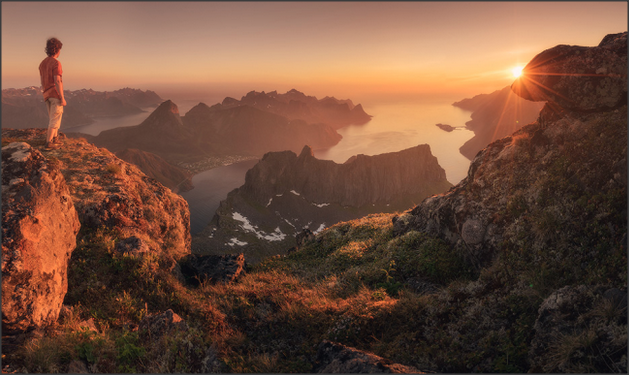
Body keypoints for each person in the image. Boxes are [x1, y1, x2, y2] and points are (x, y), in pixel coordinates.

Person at [39, 37, 66, 149]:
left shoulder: (42, 63)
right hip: (54, 94)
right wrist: (62, 97)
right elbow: (58, 80)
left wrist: (44, 91)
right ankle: (49, 143)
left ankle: (55, 139)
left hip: (46, 94)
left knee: (53, 117)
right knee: (55, 118)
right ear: (57, 50)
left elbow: (42, 80)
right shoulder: (56, 63)